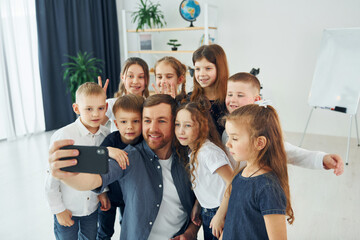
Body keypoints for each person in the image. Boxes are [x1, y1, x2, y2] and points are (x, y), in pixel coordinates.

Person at [48, 94, 199, 240]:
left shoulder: (189, 157)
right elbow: (93, 179)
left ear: (175, 123)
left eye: (161, 121)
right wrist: (64, 174)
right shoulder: (131, 156)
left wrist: (191, 231)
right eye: (147, 120)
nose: (152, 128)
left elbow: (203, 203)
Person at [223, 72, 344, 174]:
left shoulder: (261, 125)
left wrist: (322, 159)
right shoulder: (226, 126)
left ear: (257, 99)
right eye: (229, 94)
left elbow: (288, 151)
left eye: (240, 95)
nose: (233, 99)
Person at [45, 82, 110, 240]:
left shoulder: (106, 135)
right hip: (68, 209)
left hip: (91, 209)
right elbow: (51, 177)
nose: (95, 114)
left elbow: (103, 169)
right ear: (76, 108)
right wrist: (58, 209)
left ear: (106, 107)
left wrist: (103, 192)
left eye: (100, 108)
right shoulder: (64, 136)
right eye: (89, 109)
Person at [221, 104, 294, 239]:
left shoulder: (268, 188)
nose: (228, 143)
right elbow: (232, 224)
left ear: (259, 143)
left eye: (235, 138)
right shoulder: (239, 175)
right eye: (228, 137)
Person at [174, 99, 233, 240]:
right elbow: (207, 183)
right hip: (208, 212)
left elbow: (233, 182)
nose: (181, 130)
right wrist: (198, 205)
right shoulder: (194, 150)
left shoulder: (208, 152)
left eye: (187, 125)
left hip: (221, 212)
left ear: (202, 127)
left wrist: (220, 216)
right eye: (177, 124)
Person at [97, 94, 144, 240]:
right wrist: (102, 193)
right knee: (105, 231)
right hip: (110, 196)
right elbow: (97, 164)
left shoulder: (145, 141)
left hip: (131, 199)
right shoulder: (111, 140)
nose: (130, 126)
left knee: (128, 228)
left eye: (135, 121)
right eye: (124, 122)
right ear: (116, 124)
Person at [189, 44, 229, 135]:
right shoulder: (189, 99)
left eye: (208, 68)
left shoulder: (230, 101)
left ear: (220, 69)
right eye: (197, 69)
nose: (201, 74)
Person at [101, 57, 150, 131]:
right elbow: (92, 129)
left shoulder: (151, 106)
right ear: (122, 77)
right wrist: (97, 105)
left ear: (146, 80)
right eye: (130, 76)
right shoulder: (111, 104)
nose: (135, 81)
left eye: (141, 77)